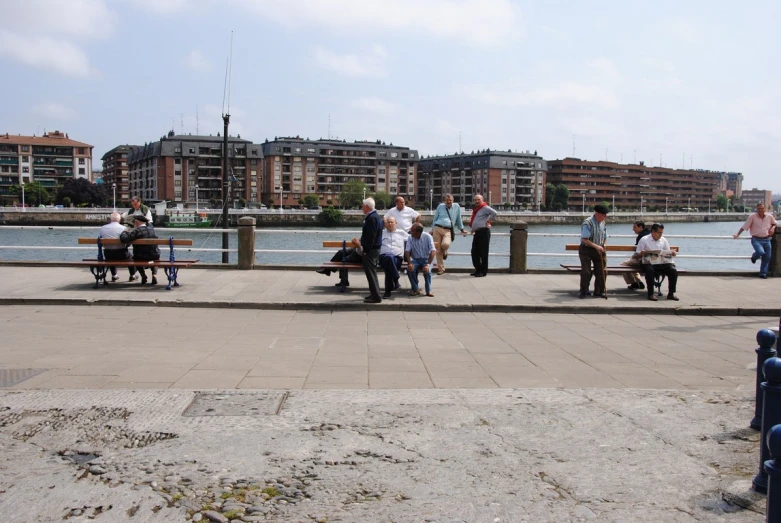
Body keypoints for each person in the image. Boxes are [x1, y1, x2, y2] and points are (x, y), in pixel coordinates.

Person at [351, 197, 384, 303]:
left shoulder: (371, 218)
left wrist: (365, 250)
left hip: (371, 250)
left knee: (371, 273)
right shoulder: (376, 217)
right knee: (372, 273)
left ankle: (376, 296)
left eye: (362, 206)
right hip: (374, 249)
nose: (361, 208)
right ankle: (374, 294)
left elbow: (370, 236)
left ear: (367, 207)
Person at [734, 203, 777, 279]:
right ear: (757, 209)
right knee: (760, 252)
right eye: (759, 208)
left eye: (762, 208)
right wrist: (737, 234)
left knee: (767, 257)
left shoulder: (769, 217)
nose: (760, 210)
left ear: (765, 209)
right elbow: (744, 226)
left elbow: (774, 223)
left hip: (767, 239)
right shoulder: (752, 217)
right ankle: (754, 257)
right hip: (756, 239)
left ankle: (763, 273)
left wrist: (772, 228)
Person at [637, 223, 678, 301]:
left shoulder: (663, 240)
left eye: (662, 233)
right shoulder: (644, 239)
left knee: (673, 270)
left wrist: (672, 253)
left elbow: (667, 251)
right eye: (659, 232)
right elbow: (637, 254)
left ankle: (671, 293)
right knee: (650, 270)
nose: (660, 235)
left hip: (661, 263)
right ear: (653, 231)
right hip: (648, 263)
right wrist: (641, 253)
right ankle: (651, 294)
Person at [431, 193, 467, 275]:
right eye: (447, 200)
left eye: (450, 200)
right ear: (444, 201)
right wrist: (432, 229)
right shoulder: (440, 206)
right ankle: (441, 268)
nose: (448, 201)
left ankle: (445, 251)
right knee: (438, 249)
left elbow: (458, 219)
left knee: (446, 244)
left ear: (452, 200)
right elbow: (435, 218)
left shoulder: (456, 207)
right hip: (437, 228)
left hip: (448, 230)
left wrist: (462, 229)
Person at [579, 204, 609, 298]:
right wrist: (596, 246)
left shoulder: (603, 223)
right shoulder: (588, 223)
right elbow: (584, 239)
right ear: (598, 214)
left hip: (599, 249)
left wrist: (603, 245)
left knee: (602, 271)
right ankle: (584, 290)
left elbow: (605, 236)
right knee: (586, 271)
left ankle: (599, 291)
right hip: (586, 249)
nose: (605, 216)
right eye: (604, 214)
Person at [120, 215, 160, 285]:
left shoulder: (137, 231)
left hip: (141, 256)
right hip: (154, 255)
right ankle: (154, 274)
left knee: (136, 258)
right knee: (154, 260)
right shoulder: (151, 229)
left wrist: (125, 232)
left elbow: (124, 239)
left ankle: (143, 275)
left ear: (136, 222)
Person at [379, 216, 409, 299]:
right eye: (388, 222)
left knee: (389, 263)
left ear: (396, 223)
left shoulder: (402, 233)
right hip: (383, 257)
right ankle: (395, 280)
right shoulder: (381, 233)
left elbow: (413, 239)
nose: (390, 224)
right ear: (385, 224)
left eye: (392, 222)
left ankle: (388, 292)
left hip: (397, 258)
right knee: (389, 258)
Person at [468, 194, 497, 277]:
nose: (476, 201)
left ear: (482, 200)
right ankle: (478, 269)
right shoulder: (477, 209)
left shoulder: (485, 207)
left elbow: (494, 213)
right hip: (477, 232)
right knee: (474, 252)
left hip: (484, 232)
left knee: (483, 253)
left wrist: (488, 221)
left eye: (478, 200)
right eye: (475, 200)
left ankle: (483, 272)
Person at [405, 223, 436, 297]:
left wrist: (428, 264)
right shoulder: (410, 238)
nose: (410, 232)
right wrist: (409, 263)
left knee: (427, 271)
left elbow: (433, 251)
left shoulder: (427, 237)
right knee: (410, 269)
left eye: (412, 231)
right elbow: (407, 251)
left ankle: (428, 290)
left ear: (418, 232)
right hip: (416, 259)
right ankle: (416, 289)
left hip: (426, 259)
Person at [99, 211, 130, 282]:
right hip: (122, 254)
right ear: (119, 220)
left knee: (111, 256)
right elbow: (127, 242)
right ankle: (132, 275)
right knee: (131, 257)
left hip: (108, 254)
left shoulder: (103, 228)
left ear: (110, 219)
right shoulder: (124, 228)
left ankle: (114, 275)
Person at [621, 221, 651, 290]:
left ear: (640, 227)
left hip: (642, 259)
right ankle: (638, 281)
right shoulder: (649, 234)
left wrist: (635, 256)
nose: (633, 229)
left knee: (623, 265)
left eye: (635, 227)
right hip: (649, 259)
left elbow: (638, 252)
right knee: (632, 264)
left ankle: (633, 283)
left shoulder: (641, 236)